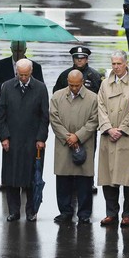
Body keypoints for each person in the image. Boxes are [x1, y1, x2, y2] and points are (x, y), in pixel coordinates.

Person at [0, 59, 49, 222]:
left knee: (31, 177)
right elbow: (0, 116)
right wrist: (4, 137)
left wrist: (41, 138)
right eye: (21, 74)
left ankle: (31, 211)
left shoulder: (40, 88)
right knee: (11, 178)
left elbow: (45, 116)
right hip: (12, 140)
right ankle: (13, 211)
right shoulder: (7, 87)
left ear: (31, 72)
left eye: (26, 75)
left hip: (33, 141)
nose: (23, 78)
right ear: (16, 72)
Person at [98, 50, 129, 227]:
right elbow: (100, 106)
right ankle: (111, 213)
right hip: (109, 135)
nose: (116, 67)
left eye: (119, 64)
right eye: (113, 64)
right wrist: (109, 129)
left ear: (126, 64)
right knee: (108, 176)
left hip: (127, 137)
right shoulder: (104, 84)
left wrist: (122, 130)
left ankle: (128, 214)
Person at [50, 69, 99, 224]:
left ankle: (84, 213)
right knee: (63, 179)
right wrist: (67, 137)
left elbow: (94, 120)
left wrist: (78, 136)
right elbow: (54, 119)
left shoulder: (93, 98)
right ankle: (65, 211)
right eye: (71, 85)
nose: (74, 88)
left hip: (84, 143)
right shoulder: (57, 96)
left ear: (82, 83)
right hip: (64, 143)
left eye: (77, 85)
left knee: (84, 180)